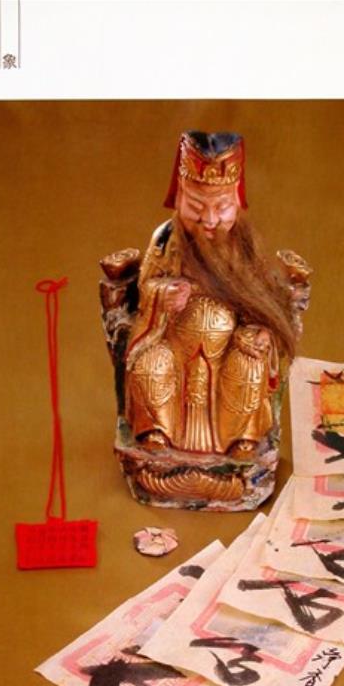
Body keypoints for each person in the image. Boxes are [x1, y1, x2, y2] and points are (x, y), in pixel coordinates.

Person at [124, 130, 300, 459]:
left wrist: (262, 332)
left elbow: (261, 296)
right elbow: (146, 286)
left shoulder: (243, 245)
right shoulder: (165, 239)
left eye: (222, 207)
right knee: (151, 363)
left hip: (227, 348)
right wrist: (163, 294)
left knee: (249, 364)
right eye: (196, 206)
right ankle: (157, 435)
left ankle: (242, 440)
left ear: (237, 201)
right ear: (179, 198)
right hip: (174, 344)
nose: (209, 219)